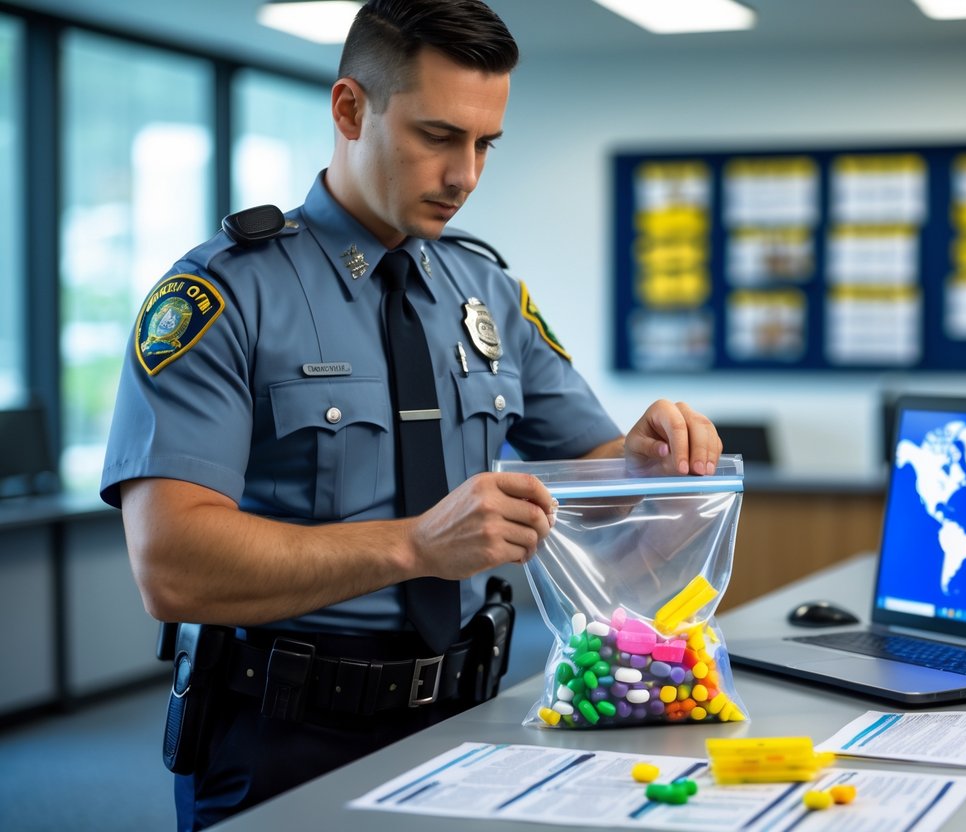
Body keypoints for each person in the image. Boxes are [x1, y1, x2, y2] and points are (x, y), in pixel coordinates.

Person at [99, 1, 722, 829]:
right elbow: (171, 566)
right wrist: (415, 545)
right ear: (350, 109)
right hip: (285, 733)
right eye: (438, 136)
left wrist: (652, 462)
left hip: (470, 717)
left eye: (484, 144)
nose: (465, 175)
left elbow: (605, 482)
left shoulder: (487, 291)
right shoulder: (220, 294)